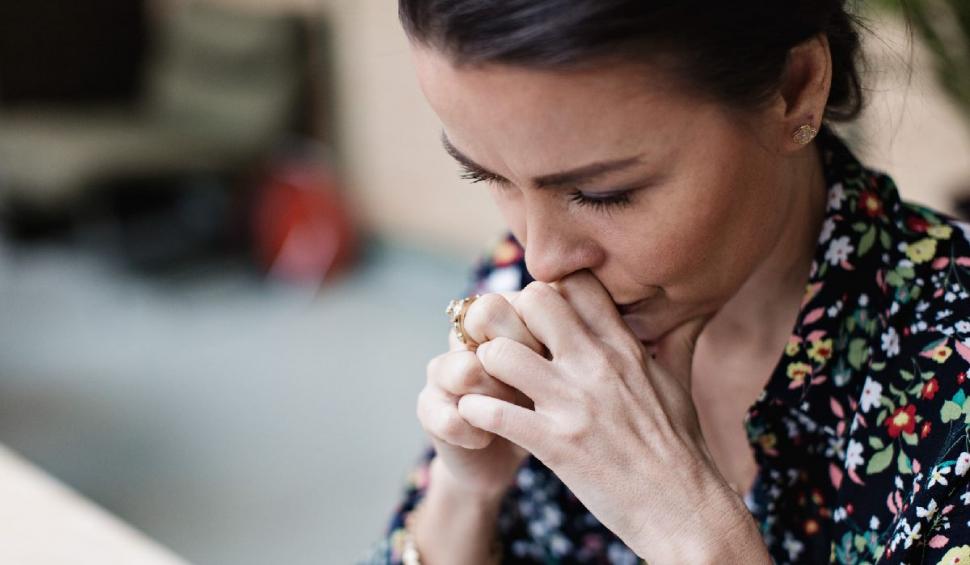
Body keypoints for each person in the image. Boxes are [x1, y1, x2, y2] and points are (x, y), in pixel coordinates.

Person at [360, 2, 970, 563]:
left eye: (605, 194)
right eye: (485, 175)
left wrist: (693, 529)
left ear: (794, 89)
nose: (541, 259)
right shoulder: (516, 281)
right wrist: (466, 496)